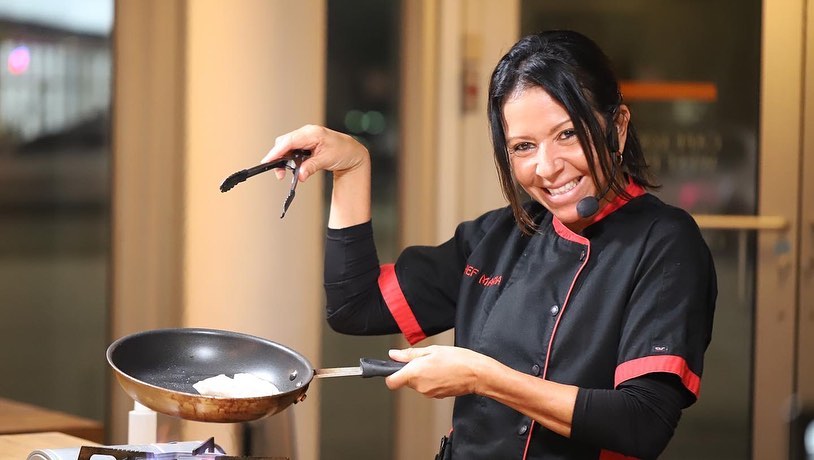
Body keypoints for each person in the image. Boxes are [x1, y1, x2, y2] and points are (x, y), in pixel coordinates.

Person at [261, 29, 716, 460]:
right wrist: (353, 167)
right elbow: (353, 305)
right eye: (522, 147)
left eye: (568, 134)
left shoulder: (665, 244)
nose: (547, 167)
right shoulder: (497, 238)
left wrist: (484, 377)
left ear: (616, 127)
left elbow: (643, 422)